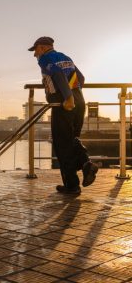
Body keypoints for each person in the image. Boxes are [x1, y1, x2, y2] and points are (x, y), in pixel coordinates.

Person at [28, 36, 98, 194]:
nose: (35, 55)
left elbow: (58, 74)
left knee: (62, 145)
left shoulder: (45, 58)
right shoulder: (66, 57)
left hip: (64, 104)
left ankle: (72, 186)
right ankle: (87, 164)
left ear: (44, 48)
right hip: (79, 101)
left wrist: (68, 97)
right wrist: (75, 94)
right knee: (72, 139)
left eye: (36, 50)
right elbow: (81, 78)